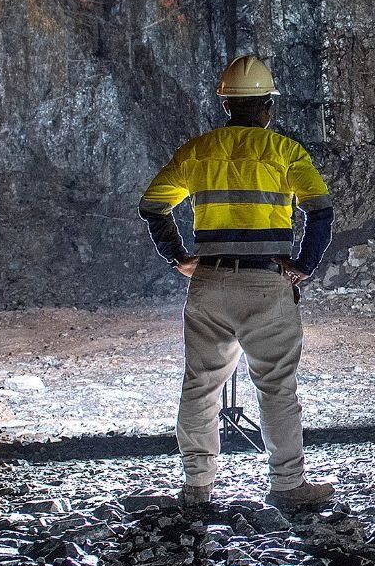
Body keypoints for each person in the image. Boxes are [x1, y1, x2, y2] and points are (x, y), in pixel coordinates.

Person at [138, 56, 337, 510]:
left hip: (209, 282)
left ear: (226, 104)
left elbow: (153, 206)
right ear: (268, 106)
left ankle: (197, 485)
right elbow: (320, 211)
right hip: (266, 284)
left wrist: (179, 257)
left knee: (201, 384)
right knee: (277, 385)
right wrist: (303, 265)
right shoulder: (286, 153)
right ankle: (288, 485)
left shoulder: (197, 152)